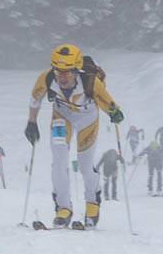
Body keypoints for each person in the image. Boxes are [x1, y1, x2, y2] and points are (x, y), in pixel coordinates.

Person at [24, 43, 123, 228]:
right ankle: (63, 208)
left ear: (76, 70)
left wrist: (115, 113)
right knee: (59, 162)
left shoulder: (91, 82)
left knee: (85, 165)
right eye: (58, 70)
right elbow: (35, 98)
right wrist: (31, 122)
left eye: (67, 71)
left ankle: (92, 204)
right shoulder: (46, 79)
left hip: (87, 119)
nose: (62, 76)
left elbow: (107, 102)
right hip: (62, 117)